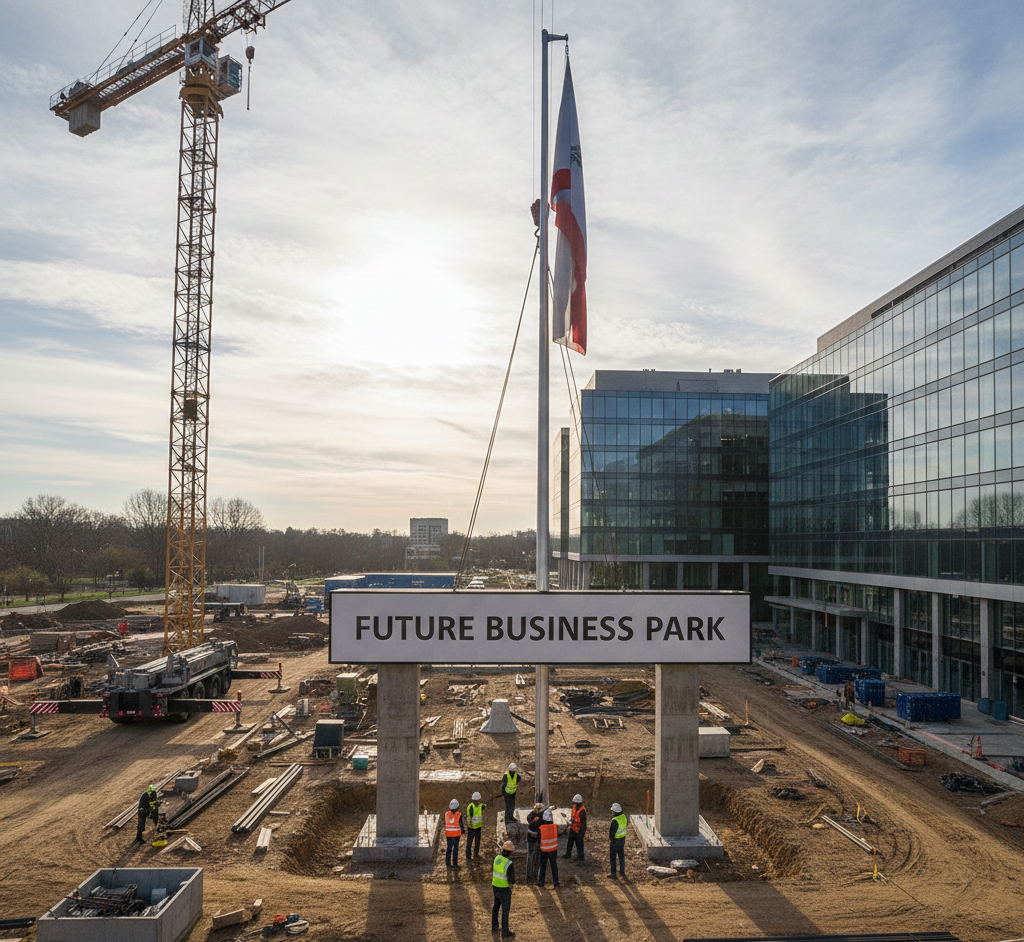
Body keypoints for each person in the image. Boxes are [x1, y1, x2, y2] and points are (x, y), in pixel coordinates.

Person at [491, 840, 517, 938]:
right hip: (504, 889)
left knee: (496, 907)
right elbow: (511, 880)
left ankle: (494, 927)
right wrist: (511, 886)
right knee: (505, 910)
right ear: (510, 852)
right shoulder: (509, 863)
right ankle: (505, 932)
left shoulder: (496, 858)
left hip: (495, 886)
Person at [536, 807, 560, 888]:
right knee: (554, 866)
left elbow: (538, 838)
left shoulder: (541, 828)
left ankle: (541, 881)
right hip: (553, 850)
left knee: (542, 866)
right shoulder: (554, 827)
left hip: (544, 850)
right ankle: (556, 882)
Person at [563, 794, 586, 860]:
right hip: (573, 828)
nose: (574, 804)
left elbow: (583, 823)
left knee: (579, 844)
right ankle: (568, 854)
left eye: (575, 802)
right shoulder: (574, 807)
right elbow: (574, 816)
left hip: (579, 829)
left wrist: (582, 832)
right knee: (570, 842)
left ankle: (580, 857)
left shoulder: (582, 811)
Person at [608, 802, 627, 879]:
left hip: (615, 841)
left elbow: (612, 832)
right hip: (622, 840)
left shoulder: (615, 820)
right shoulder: (624, 817)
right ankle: (622, 872)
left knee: (613, 857)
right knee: (621, 856)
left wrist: (610, 839)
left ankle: (613, 873)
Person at [525, 802, 543, 881]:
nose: (537, 810)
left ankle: (535, 875)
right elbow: (529, 820)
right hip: (531, 838)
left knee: (537, 858)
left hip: (537, 838)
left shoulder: (542, 817)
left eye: (538, 809)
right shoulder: (531, 815)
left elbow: (540, 827)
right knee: (531, 857)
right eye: (536, 808)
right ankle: (529, 875)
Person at [444, 798, 465, 869]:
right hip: (456, 834)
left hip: (448, 834)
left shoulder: (446, 814)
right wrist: (463, 831)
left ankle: (448, 864)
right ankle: (455, 864)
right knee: (455, 849)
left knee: (449, 848)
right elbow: (461, 824)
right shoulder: (459, 814)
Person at [466, 791, 486, 863]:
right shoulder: (471, 807)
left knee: (477, 842)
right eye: (476, 801)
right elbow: (470, 818)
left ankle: (476, 853)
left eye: (478, 801)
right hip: (471, 828)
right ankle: (468, 857)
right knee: (469, 843)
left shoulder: (481, 806)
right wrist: (470, 826)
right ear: (473, 801)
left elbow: (483, 806)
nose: (477, 803)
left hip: (478, 827)